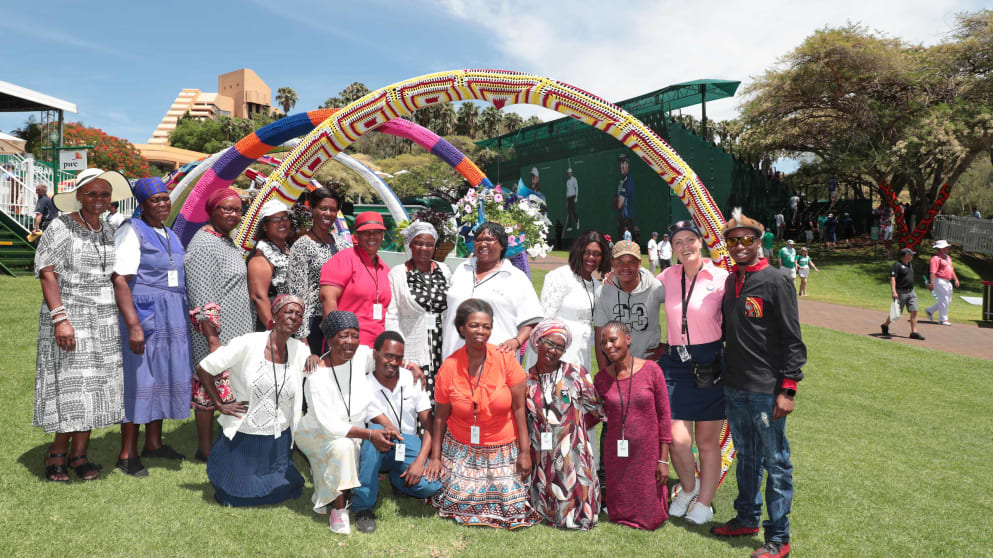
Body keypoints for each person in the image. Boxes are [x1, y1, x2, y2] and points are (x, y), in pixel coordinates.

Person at [712, 209, 806, 558]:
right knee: (747, 457)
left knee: (776, 462)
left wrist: (788, 388)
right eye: (733, 240)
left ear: (758, 242)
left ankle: (779, 538)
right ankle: (747, 519)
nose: (739, 245)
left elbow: (793, 339)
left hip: (767, 391)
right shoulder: (729, 280)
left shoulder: (777, 279)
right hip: (734, 387)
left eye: (746, 239)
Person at [34, 168, 132, 481]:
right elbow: (47, 272)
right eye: (92, 193)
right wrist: (60, 319)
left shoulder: (106, 229)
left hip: (102, 319)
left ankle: (79, 454)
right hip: (71, 315)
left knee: (95, 386)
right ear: (78, 196)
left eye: (105, 194)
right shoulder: (61, 226)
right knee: (71, 385)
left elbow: (113, 274)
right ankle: (57, 454)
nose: (99, 199)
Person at [424, 299, 538, 529]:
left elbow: (519, 409)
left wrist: (524, 452)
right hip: (462, 448)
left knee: (512, 508)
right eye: (474, 325)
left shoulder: (506, 359)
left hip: (502, 448)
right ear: (461, 329)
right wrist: (436, 458)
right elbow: (440, 417)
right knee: (459, 501)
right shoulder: (449, 366)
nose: (481, 331)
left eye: (486, 326)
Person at [111, 177, 194, 477]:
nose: (162, 204)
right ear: (142, 204)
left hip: (172, 315)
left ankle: (154, 443)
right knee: (141, 381)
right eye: (155, 200)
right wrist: (133, 325)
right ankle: (127, 452)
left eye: (165, 199)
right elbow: (120, 278)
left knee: (162, 376)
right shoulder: (131, 231)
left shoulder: (170, 233)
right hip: (145, 315)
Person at [195, 295, 309, 507]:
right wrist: (220, 404)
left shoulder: (300, 351)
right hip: (245, 434)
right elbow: (204, 367)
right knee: (232, 495)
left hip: (278, 438)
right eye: (288, 311)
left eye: (299, 314)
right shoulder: (247, 343)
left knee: (288, 488)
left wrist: (317, 358)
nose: (294, 317)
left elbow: (319, 376)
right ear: (274, 316)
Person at [295, 311, 402, 534]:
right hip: (318, 431)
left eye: (355, 335)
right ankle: (339, 510)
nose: (350, 342)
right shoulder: (317, 376)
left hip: (354, 428)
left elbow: (387, 356)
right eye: (343, 336)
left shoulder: (362, 355)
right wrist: (371, 434)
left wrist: (411, 367)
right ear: (330, 339)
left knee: (351, 448)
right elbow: (330, 426)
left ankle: (332, 485)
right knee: (342, 447)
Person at [657, 220, 729, 525]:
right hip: (675, 363)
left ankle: (705, 503)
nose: (685, 247)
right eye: (678, 242)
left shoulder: (721, 277)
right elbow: (634, 286)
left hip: (710, 362)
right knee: (677, 438)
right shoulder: (666, 276)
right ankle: (689, 489)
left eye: (690, 240)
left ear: (701, 242)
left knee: (708, 442)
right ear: (671, 248)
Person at [186, 187, 255, 461]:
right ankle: (204, 449)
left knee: (231, 385)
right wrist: (213, 340)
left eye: (237, 209)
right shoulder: (203, 244)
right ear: (212, 210)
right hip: (215, 332)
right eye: (226, 208)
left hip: (236, 329)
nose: (233, 214)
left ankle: (228, 440)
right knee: (207, 389)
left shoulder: (225, 240)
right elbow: (202, 298)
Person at [352, 331, 443, 533]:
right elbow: (386, 426)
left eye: (399, 357)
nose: (393, 362)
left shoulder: (412, 379)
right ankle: (363, 507)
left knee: (431, 486)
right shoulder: (363, 385)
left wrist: (421, 462)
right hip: (379, 444)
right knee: (376, 432)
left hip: (408, 443)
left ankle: (398, 479)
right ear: (375, 354)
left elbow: (429, 426)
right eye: (388, 356)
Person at [525, 319, 602, 530]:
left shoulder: (576, 373)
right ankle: (545, 512)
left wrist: (575, 429)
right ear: (538, 342)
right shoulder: (527, 381)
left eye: (560, 347)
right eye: (549, 343)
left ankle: (578, 515)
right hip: (541, 451)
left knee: (573, 478)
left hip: (574, 451)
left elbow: (596, 409)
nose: (554, 350)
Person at [595, 321, 672, 530]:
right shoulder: (601, 379)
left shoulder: (652, 370)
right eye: (604, 343)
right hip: (616, 453)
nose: (608, 346)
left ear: (627, 339)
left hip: (647, 453)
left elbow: (665, 416)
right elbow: (594, 415)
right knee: (617, 511)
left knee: (651, 517)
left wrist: (663, 460)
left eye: (613, 340)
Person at [441, 221, 542, 359]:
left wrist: (516, 341)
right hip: (454, 357)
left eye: (489, 239)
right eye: (478, 240)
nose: (483, 244)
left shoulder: (515, 277)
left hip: (497, 360)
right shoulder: (461, 269)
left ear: (502, 245)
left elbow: (532, 318)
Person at [385, 221, 452, 398]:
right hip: (412, 350)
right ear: (410, 244)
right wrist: (399, 356)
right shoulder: (398, 274)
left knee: (440, 402)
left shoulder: (444, 270)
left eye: (429, 244)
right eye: (419, 243)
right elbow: (391, 316)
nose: (424, 248)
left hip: (441, 348)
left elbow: (450, 310)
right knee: (415, 399)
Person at [530, 230, 608, 372]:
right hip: (556, 352)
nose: (592, 257)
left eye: (597, 254)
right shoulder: (560, 276)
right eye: (587, 252)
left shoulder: (597, 286)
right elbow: (545, 321)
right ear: (579, 251)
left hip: (582, 352)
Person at [320, 211, 392, 348]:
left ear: (382, 236)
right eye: (366, 232)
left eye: (377, 232)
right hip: (347, 346)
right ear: (356, 235)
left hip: (377, 348)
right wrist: (335, 339)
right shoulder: (344, 259)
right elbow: (327, 299)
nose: (372, 236)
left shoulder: (385, 269)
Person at [287, 186, 345, 353]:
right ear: (312, 210)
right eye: (323, 208)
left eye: (333, 209)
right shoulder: (302, 245)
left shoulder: (339, 242)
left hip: (337, 318)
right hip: (312, 322)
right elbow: (297, 292)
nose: (328, 213)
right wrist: (301, 335)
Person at [594, 240, 665, 370]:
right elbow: (600, 338)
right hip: (617, 368)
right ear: (612, 263)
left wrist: (669, 347)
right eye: (619, 262)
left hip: (649, 365)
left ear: (640, 264)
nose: (625, 267)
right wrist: (603, 375)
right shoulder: (603, 292)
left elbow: (681, 310)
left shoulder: (656, 287)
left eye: (631, 262)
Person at [248, 200, 292, 331]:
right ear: (265, 226)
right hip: (274, 326)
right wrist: (274, 331)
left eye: (285, 217)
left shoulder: (286, 247)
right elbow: (259, 297)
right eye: (275, 219)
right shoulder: (261, 255)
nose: (282, 223)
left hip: (290, 320)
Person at [881, 248, 924, 340]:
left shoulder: (910, 265)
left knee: (914, 311)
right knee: (897, 313)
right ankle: (885, 325)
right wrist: (894, 291)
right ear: (906, 255)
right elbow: (892, 278)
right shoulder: (897, 265)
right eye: (911, 254)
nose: (912, 256)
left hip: (911, 292)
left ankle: (914, 332)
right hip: (901, 292)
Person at [925, 240, 960, 326]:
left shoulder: (948, 257)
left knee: (948, 300)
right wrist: (932, 283)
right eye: (946, 247)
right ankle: (943, 319)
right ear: (941, 248)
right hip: (939, 280)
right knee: (944, 300)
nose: (948, 248)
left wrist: (956, 279)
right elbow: (932, 272)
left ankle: (930, 310)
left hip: (948, 281)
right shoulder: (935, 258)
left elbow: (951, 269)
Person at [615, 154, 635, 237]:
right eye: (619, 163)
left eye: (623, 163)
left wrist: (615, 200)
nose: (621, 166)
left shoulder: (628, 181)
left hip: (627, 223)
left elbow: (619, 204)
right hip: (621, 222)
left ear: (627, 164)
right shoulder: (621, 181)